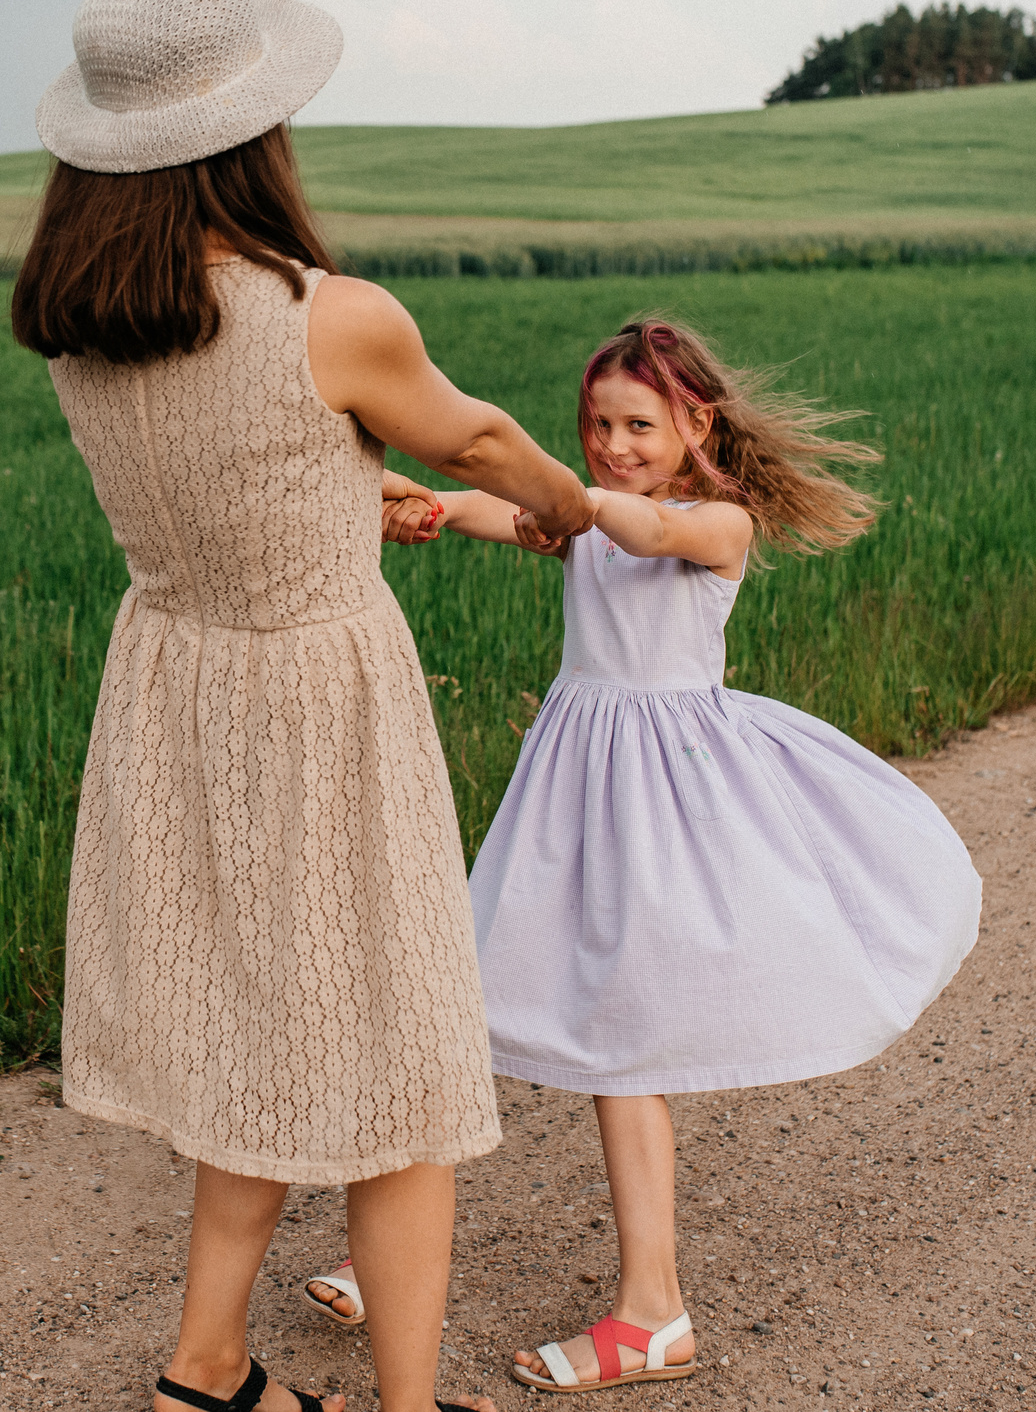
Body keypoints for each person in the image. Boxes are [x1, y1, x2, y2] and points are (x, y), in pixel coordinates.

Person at [14, 0, 596, 1412]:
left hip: (176, 692)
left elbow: (239, 468)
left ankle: (209, 1368)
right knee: (403, 1072)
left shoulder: (85, 330)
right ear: (249, 135)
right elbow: (473, 440)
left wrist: (350, 492)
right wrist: (569, 507)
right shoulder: (334, 314)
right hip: (317, 705)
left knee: (253, 1038)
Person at [310, 314, 982, 1392]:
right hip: (571, 790)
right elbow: (511, 508)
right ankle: (390, 1253)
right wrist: (431, 502)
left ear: (693, 422)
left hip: (668, 804)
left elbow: (634, 528)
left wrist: (566, 503)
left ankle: (651, 1312)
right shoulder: (584, 516)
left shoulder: (714, 524)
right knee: (471, 994)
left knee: (619, 1043)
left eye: (636, 423)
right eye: (596, 424)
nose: (613, 442)